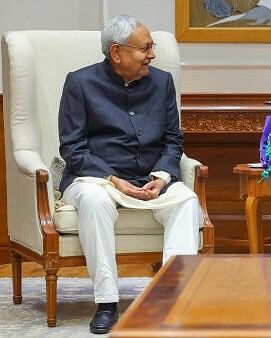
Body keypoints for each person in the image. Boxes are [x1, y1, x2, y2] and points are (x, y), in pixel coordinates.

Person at [58, 15, 201, 334]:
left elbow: (173, 139)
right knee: (94, 201)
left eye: (152, 47)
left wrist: (163, 176)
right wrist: (112, 178)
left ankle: (171, 299)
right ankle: (107, 303)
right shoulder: (80, 83)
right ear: (116, 52)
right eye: (145, 48)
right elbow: (72, 148)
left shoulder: (162, 82)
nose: (151, 54)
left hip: (151, 179)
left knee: (187, 202)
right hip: (94, 178)